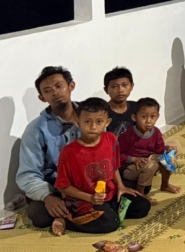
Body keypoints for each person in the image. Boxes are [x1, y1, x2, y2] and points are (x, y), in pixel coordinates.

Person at [52, 98, 150, 236]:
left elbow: (114, 167)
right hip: (84, 200)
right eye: (87, 122)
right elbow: (63, 186)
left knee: (143, 206)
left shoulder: (110, 139)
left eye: (99, 121)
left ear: (107, 122)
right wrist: (90, 198)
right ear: (77, 122)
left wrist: (121, 187)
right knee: (110, 223)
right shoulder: (69, 152)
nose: (93, 127)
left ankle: (107, 211)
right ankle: (67, 219)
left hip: (110, 194)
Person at [18, 66, 82, 229]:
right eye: (47, 90)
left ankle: (67, 216)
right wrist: (47, 196)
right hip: (53, 185)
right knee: (40, 217)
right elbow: (28, 174)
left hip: (87, 180)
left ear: (71, 86)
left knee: (134, 204)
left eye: (59, 86)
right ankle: (69, 213)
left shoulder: (91, 116)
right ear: (42, 97)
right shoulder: (35, 129)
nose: (55, 92)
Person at [119, 97, 180, 197]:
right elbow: (116, 155)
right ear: (134, 117)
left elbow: (159, 150)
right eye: (144, 117)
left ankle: (165, 184)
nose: (148, 121)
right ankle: (141, 192)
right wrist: (134, 159)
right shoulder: (127, 135)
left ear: (157, 116)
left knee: (170, 154)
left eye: (153, 117)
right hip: (130, 168)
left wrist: (167, 149)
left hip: (148, 158)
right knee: (152, 165)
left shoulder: (156, 132)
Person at [103, 67, 137, 136]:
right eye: (114, 86)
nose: (120, 90)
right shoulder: (102, 112)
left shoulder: (137, 108)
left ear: (132, 86)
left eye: (124, 85)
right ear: (106, 90)